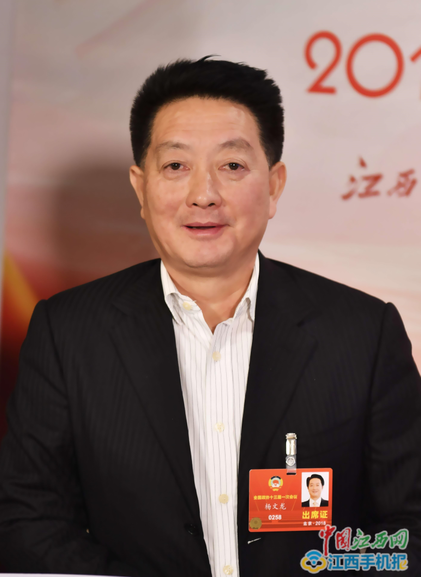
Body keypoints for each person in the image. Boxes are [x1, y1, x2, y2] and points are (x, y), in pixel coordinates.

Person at [0, 57, 420, 577]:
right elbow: (28, 520)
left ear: (274, 185)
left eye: (232, 166)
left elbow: (410, 527)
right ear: (140, 187)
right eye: (176, 166)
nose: (203, 195)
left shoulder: (363, 333)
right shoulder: (68, 333)